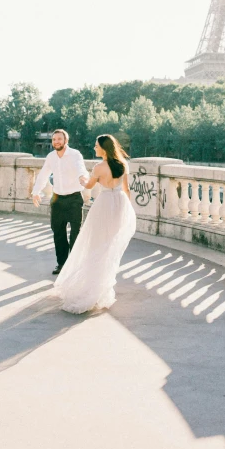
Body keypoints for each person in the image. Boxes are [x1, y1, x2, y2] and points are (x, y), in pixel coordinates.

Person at [53, 134, 136, 314]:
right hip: (119, 203)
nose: (94, 148)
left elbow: (89, 186)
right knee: (109, 246)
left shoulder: (99, 167)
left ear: (104, 148)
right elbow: (126, 189)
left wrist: (82, 180)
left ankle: (92, 287)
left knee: (96, 244)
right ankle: (103, 286)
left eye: (96, 145)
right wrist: (126, 210)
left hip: (104, 204)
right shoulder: (123, 164)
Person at [32, 129, 89, 275]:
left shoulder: (75, 154)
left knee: (76, 233)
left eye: (59, 139)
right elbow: (44, 174)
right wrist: (36, 192)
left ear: (65, 141)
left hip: (74, 199)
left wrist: (82, 177)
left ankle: (75, 266)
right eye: (54, 139)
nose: (56, 141)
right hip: (57, 200)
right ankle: (62, 264)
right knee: (58, 233)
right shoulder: (51, 156)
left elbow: (80, 167)